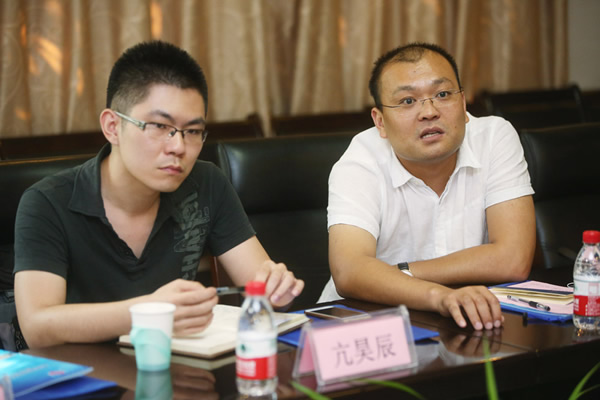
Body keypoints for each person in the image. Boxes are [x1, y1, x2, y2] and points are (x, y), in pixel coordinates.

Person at [13, 41, 304, 349]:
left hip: (179, 366)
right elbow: (37, 327)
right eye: (159, 126)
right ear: (112, 126)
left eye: (193, 131)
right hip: (83, 372)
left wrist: (276, 290)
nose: (178, 146)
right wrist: (151, 312)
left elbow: (260, 284)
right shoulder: (47, 202)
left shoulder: (206, 183)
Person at [319, 42, 536, 330]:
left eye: (443, 94)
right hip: (366, 324)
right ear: (380, 121)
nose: (429, 112)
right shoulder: (358, 164)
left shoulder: (494, 137)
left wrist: (399, 273)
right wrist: (439, 297)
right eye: (408, 101)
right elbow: (349, 271)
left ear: (463, 103)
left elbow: (513, 259)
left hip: (469, 316)